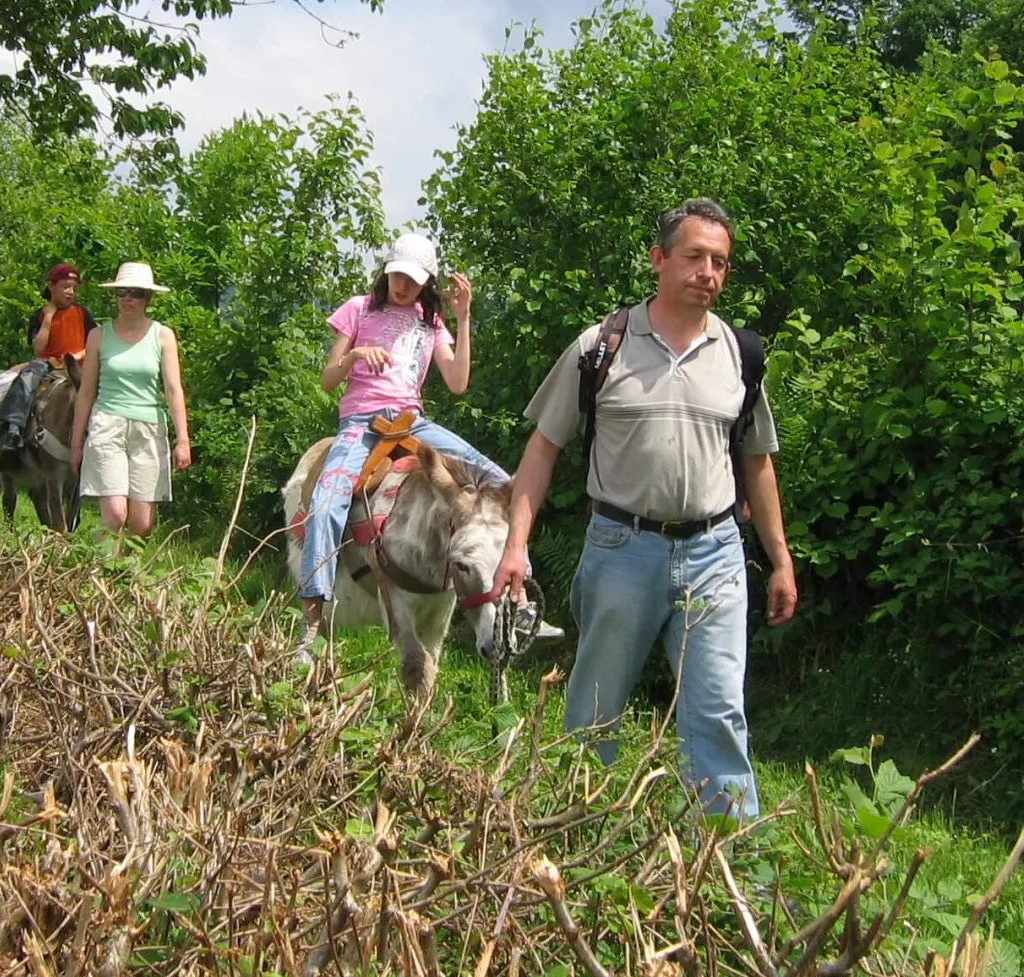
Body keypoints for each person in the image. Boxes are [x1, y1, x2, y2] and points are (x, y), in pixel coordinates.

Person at [489, 199, 798, 819]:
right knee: (592, 712)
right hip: (620, 550)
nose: (707, 272)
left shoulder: (740, 355)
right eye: (693, 257)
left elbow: (758, 463)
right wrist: (514, 546)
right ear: (658, 260)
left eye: (719, 262)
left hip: (715, 554)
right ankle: (568, 841)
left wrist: (782, 562)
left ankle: (733, 874)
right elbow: (542, 449)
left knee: (717, 713)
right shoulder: (602, 346)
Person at [296, 232, 525, 662]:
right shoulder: (358, 309)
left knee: (502, 482)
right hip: (360, 423)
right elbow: (328, 380)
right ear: (386, 272)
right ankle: (311, 621)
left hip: (411, 422)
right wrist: (355, 356)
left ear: (427, 284)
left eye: (413, 279)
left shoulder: (428, 322)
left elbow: (457, 383)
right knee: (327, 502)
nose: (403, 285)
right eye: (397, 275)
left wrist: (463, 318)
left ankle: (519, 594)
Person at [68, 261, 191, 536]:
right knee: (114, 514)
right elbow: (86, 392)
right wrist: (76, 444)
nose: (127, 298)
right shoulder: (98, 336)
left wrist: (182, 440)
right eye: (122, 291)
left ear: (147, 298)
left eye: (135, 292)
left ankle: (127, 575)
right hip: (107, 425)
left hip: (148, 428)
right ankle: (101, 573)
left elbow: (173, 390)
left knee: (142, 524)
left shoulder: (163, 336)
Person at [29, 262, 96, 364]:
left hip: (76, 367)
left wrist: (78, 356)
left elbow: (96, 343)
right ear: (51, 286)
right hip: (47, 367)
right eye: (66, 287)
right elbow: (38, 348)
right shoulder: (39, 315)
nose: (71, 292)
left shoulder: (81, 312)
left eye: (74, 288)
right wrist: (48, 317)